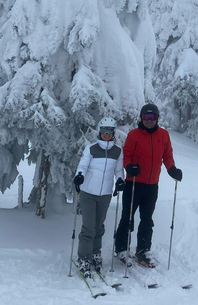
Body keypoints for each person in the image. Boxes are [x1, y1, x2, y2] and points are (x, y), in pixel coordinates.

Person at [114, 103, 183, 268]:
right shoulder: (134, 135)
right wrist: (129, 166)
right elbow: (127, 155)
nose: (149, 120)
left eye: (152, 117)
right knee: (127, 218)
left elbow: (167, 155)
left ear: (157, 118)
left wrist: (172, 169)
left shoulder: (163, 135)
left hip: (152, 185)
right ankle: (121, 249)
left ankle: (143, 250)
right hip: (134, 183)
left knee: (147, 219)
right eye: (146, 117)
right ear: (142, 118)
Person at [73, 117, 125, 278]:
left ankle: (95, 254)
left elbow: (118, 170)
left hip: (105, 194)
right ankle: (84, 258)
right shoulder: (92, 148)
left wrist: (120, 180)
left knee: (99, 226)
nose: (107, 134)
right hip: (88, 192)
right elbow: (83, 165)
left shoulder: (118, 151)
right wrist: (79, 176)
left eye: (110, 131)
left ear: (113, 133)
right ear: (100, 132)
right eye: (104, 131)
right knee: (89, 227)